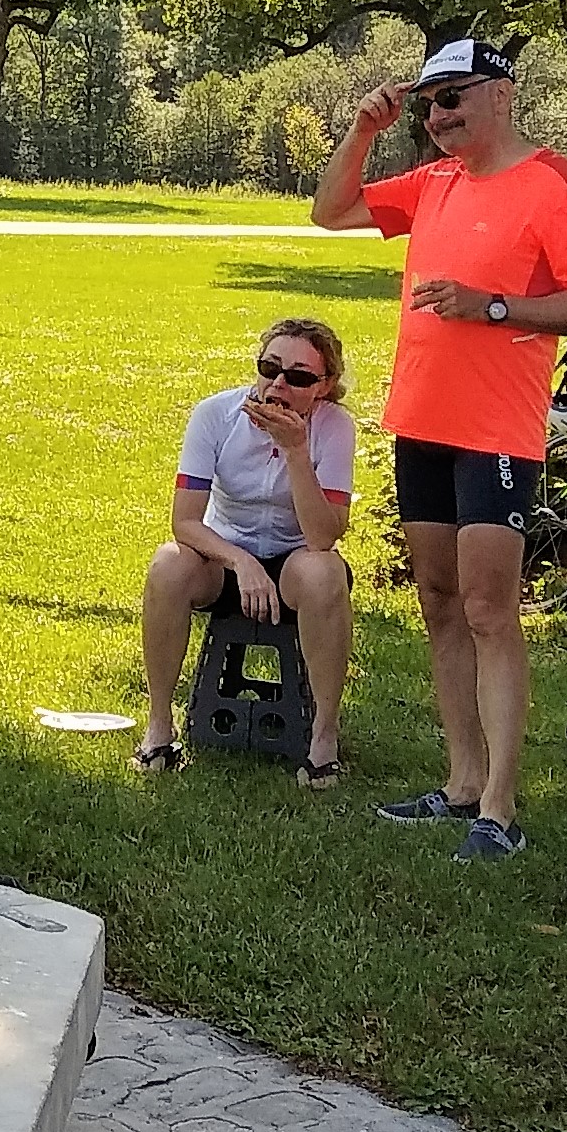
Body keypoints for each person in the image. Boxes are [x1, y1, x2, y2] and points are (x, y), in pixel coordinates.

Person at [313, 35, 567, 862]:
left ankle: (500, 807)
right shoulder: (435, 182)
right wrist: (362, 132)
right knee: (440, 604)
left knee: (492, 612)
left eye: (454, 98)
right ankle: (459, 784)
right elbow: (331, 211)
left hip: (496, 432)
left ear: (502, 95)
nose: (439, 115)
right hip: (422, 420)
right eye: (427, 103)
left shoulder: (559, 185)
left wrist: (494, 308)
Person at [135, 319, 356, 787]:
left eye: (297, 377)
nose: (278, 384)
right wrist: (240, 561)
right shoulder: (216, 414)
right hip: (223, 555)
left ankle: (323, 737)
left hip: (296, 557)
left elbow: (323, 536)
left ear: (324, 386)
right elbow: (185, 521)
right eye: (269, 368)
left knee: (324, 573)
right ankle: (158, 726)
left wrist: (296, 451)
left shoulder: (334, 428)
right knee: (168, 565)